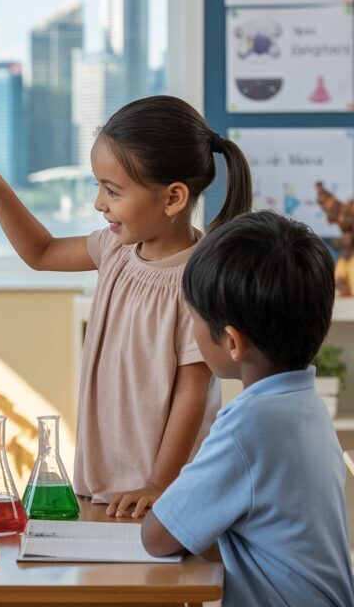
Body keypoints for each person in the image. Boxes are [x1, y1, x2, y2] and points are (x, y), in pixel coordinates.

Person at [0, 95, 252, 517]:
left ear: (173, 198)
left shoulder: (198, 280)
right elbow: (42, 251)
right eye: (98, 187)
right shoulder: (114, 249)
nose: (98, 203)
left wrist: (158, 484)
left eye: (112, 190)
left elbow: (191, 393)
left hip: (164, 493)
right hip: (100, 483)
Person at [143, 211, 354, 607]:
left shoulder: (251, 423)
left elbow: (156, 537)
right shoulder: (303, 404)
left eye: (195, 321)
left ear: (233, 343)